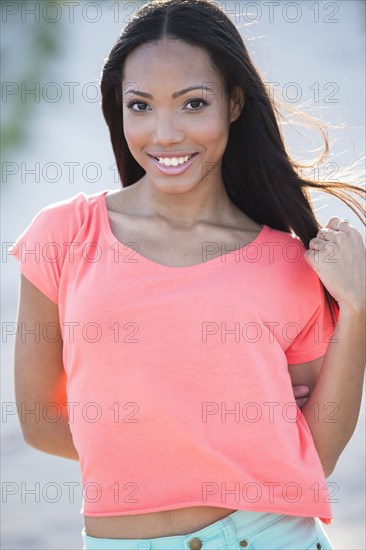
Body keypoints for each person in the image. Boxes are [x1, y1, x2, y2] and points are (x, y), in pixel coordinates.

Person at [10, 1, 365, 549]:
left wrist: (358, 305)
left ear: (234, 103)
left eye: (193, 103)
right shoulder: (63, 236)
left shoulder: (286, 262)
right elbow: (39, 419)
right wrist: (193, 437)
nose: (165, 133)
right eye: (141, 106)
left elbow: (314, 452)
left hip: (268, 537)